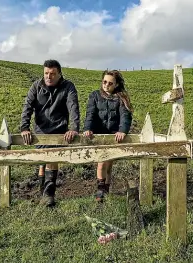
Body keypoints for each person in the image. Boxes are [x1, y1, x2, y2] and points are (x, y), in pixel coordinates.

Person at [20, 59, 80, 207]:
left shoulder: (68, 87)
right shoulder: (36, 86)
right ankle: (43, 192)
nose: (49, 76)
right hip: (41, 130)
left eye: (52, 74)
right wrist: (24, 127)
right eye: (46, 73)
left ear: (59, 74)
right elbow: (28, 106)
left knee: (52, 159)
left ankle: (49, 196)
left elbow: (73, 107)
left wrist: (73, 128)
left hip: (59, 130)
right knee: (42, 161)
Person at [83, 69, 133, 203]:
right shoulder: (95, 95)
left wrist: (123, 130)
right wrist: (88, 128)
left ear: (116, 84)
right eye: (104, 82)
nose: (106, 85)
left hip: (113, 135)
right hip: (99, 135)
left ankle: (107, 189)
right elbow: (90, 114)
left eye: (110, 83)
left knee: (109, 164)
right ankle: (100, 191)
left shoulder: (121, 97)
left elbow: (125, 116)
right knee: (101, 162)